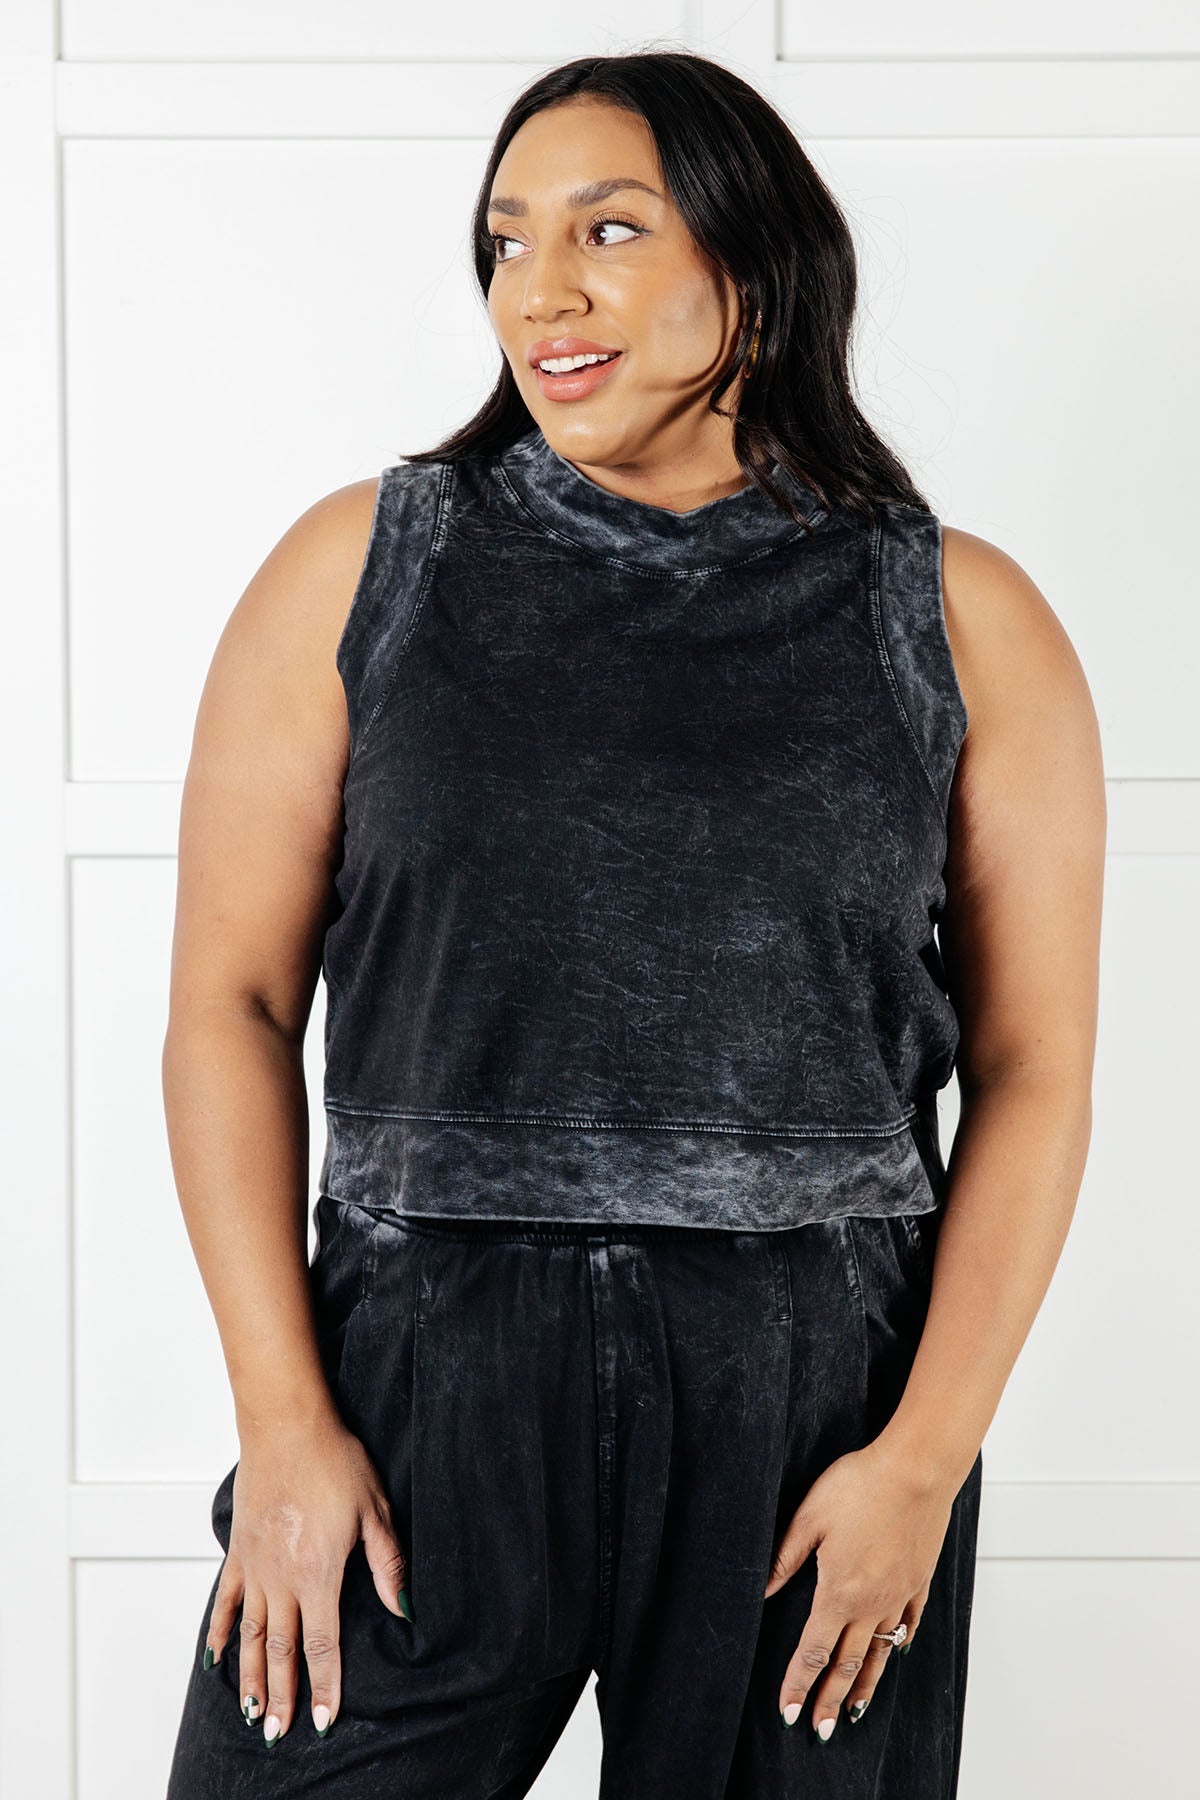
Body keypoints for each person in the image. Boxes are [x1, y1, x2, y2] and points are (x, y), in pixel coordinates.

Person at [163, 48, 1105, 1800]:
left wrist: (922, 1460)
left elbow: (1036, 1067)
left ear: (754, 263)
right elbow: (231, 1004)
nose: (542, 288)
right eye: (506, 239)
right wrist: (282, 1421)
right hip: (419, 1368)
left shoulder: (959, 617)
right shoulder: (362, 569)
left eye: (607, 229)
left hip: (812, 1391)